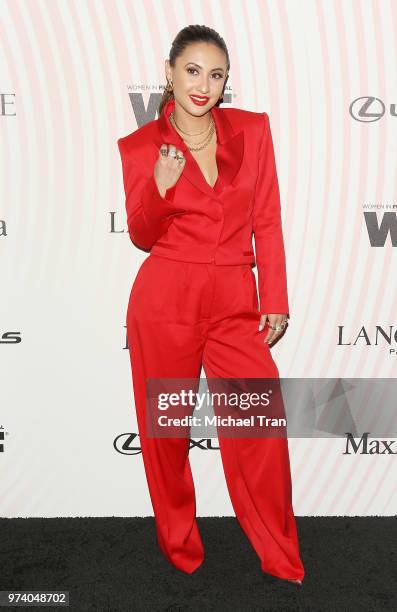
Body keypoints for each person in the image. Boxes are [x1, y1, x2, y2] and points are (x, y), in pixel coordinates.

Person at [117, 24, 305, 585]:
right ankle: (179, 546)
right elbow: (141, 234)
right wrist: (159, 184)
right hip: (164, 301)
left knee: (259, 432)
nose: (204, 84)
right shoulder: (140, 147)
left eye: (216, 74)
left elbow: (266, 219)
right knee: (166, 435)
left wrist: (274, 297)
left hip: (233, 304)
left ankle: (279, 552)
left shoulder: (252, 130)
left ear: (227, 82)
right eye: (193, 70)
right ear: (169, 73)